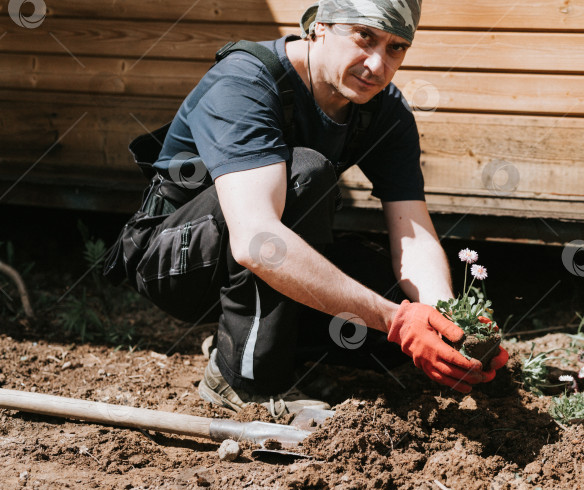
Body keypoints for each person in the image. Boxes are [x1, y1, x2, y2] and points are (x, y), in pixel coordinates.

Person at [109, 0, 508, 418]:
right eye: (364, 37)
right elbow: (256, 239)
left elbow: (413, 234)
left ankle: (265, 345)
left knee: (387, 306)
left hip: (250, 256)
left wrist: (447, 323)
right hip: (174, 263)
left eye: (396, 48)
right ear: (319, 27)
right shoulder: (245, 80)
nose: (377, 64)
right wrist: (396, 320)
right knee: (306, 172)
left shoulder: (384, 109)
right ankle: (244, 381)